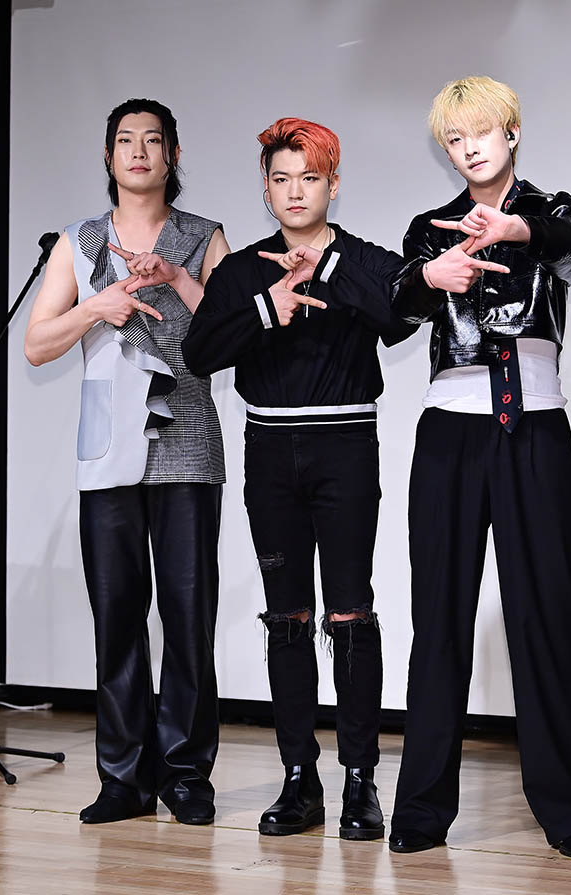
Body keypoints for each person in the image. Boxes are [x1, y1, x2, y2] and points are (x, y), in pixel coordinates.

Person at [386, 76, 571, 859]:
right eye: (454, 138)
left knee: (547, 618)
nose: (469, 147)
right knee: (439, 619)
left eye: (480, 131)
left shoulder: (554, 212)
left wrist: (514, 229)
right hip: (450, 431)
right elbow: (395, 309)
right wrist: (429, 276)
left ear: (511, 131)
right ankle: (420, 811)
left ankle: (569, 811)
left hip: (534, 427)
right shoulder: (430, 228)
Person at [182, 118, 413, 839]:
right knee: (287, 616)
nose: (294, 192)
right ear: (265, 187)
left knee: (350, 613)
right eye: (281, 179)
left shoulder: (364, 258)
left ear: (332, 184)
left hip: (346, 448)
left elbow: (401, 317)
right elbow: (199, 353)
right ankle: (298, 778)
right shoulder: (242, 271)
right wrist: (268, 307)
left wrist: (328, 269)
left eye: (309, 178)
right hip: (270, 452)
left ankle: (360, 782)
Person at [24, 98, 230, 825]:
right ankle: (122, 778)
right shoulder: (78, 242)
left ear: (172, 155)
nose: (138, 151)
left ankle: (186, 774)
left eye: (152, 139)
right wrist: (96, 307)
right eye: (124, 140)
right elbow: (37, 345)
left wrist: (175, 277)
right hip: (107, 444)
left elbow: (230, 335)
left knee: (188, 614)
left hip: (187, 441)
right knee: (116, 614)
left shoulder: (204, 236)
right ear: (108, 156)